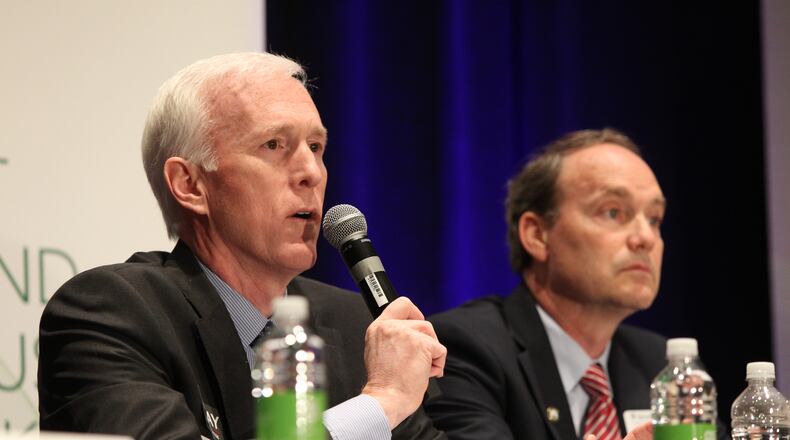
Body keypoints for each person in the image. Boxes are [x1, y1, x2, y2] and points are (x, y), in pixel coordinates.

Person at [37, 52, 446, 440]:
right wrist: (380, 402)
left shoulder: (355, 326)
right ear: (190, 184)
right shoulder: (110, 314)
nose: (311, 172)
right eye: (274, 145)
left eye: (316, 147)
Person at [425, 128, 670, 439]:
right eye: (612, 212)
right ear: (537, 235)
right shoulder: (462, 349)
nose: (645, 238)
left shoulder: (659, 362)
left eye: (654, 219)